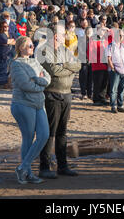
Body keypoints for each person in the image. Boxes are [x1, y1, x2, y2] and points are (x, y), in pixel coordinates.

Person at [39, 24, 81, 179]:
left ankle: (62, 166)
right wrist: (69, 69)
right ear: (56, 36)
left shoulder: (64, 50)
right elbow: (54, 71)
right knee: (49, 132)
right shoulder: (44, 51)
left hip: (67, 94)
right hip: (52, 94)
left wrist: (65, 66)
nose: (66, 37)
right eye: (64, 35)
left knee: (62, 132)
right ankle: (44, 166)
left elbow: (78, 65)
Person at [11, 36, 51, 184]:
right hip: (23, 104)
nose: (32, 48)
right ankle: (27, 173)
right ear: (21, 47)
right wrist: (40, 84)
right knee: (28, 138)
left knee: (44, 135)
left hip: (39, 103)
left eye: (32, 46)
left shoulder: (35, 61)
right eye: (29, 46)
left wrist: (39, 81)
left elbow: (48, 78)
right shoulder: (16, 64)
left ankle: (23, 167)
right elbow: (25, 85)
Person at [107, 28, 124, 114]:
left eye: (122, 35)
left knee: (121, 89)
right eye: (119, 35)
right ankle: (113, 106)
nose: (120, 37)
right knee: (113, 89)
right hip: (115, 70)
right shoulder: (110, 46)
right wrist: (112, 68)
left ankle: (120, 105)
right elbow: (109, 58)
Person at [0, 21, 16, 88]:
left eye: (7, 26)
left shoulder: (10, 33)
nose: (6, 28)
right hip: (2, 53)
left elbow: (15, 41)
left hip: (9, 53)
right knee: (0, 68)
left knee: (7, 69)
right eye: (4, 26)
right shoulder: (0, 34)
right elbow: (5, 41)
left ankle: (5, 83)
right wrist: (10, 41)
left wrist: (10, 41)